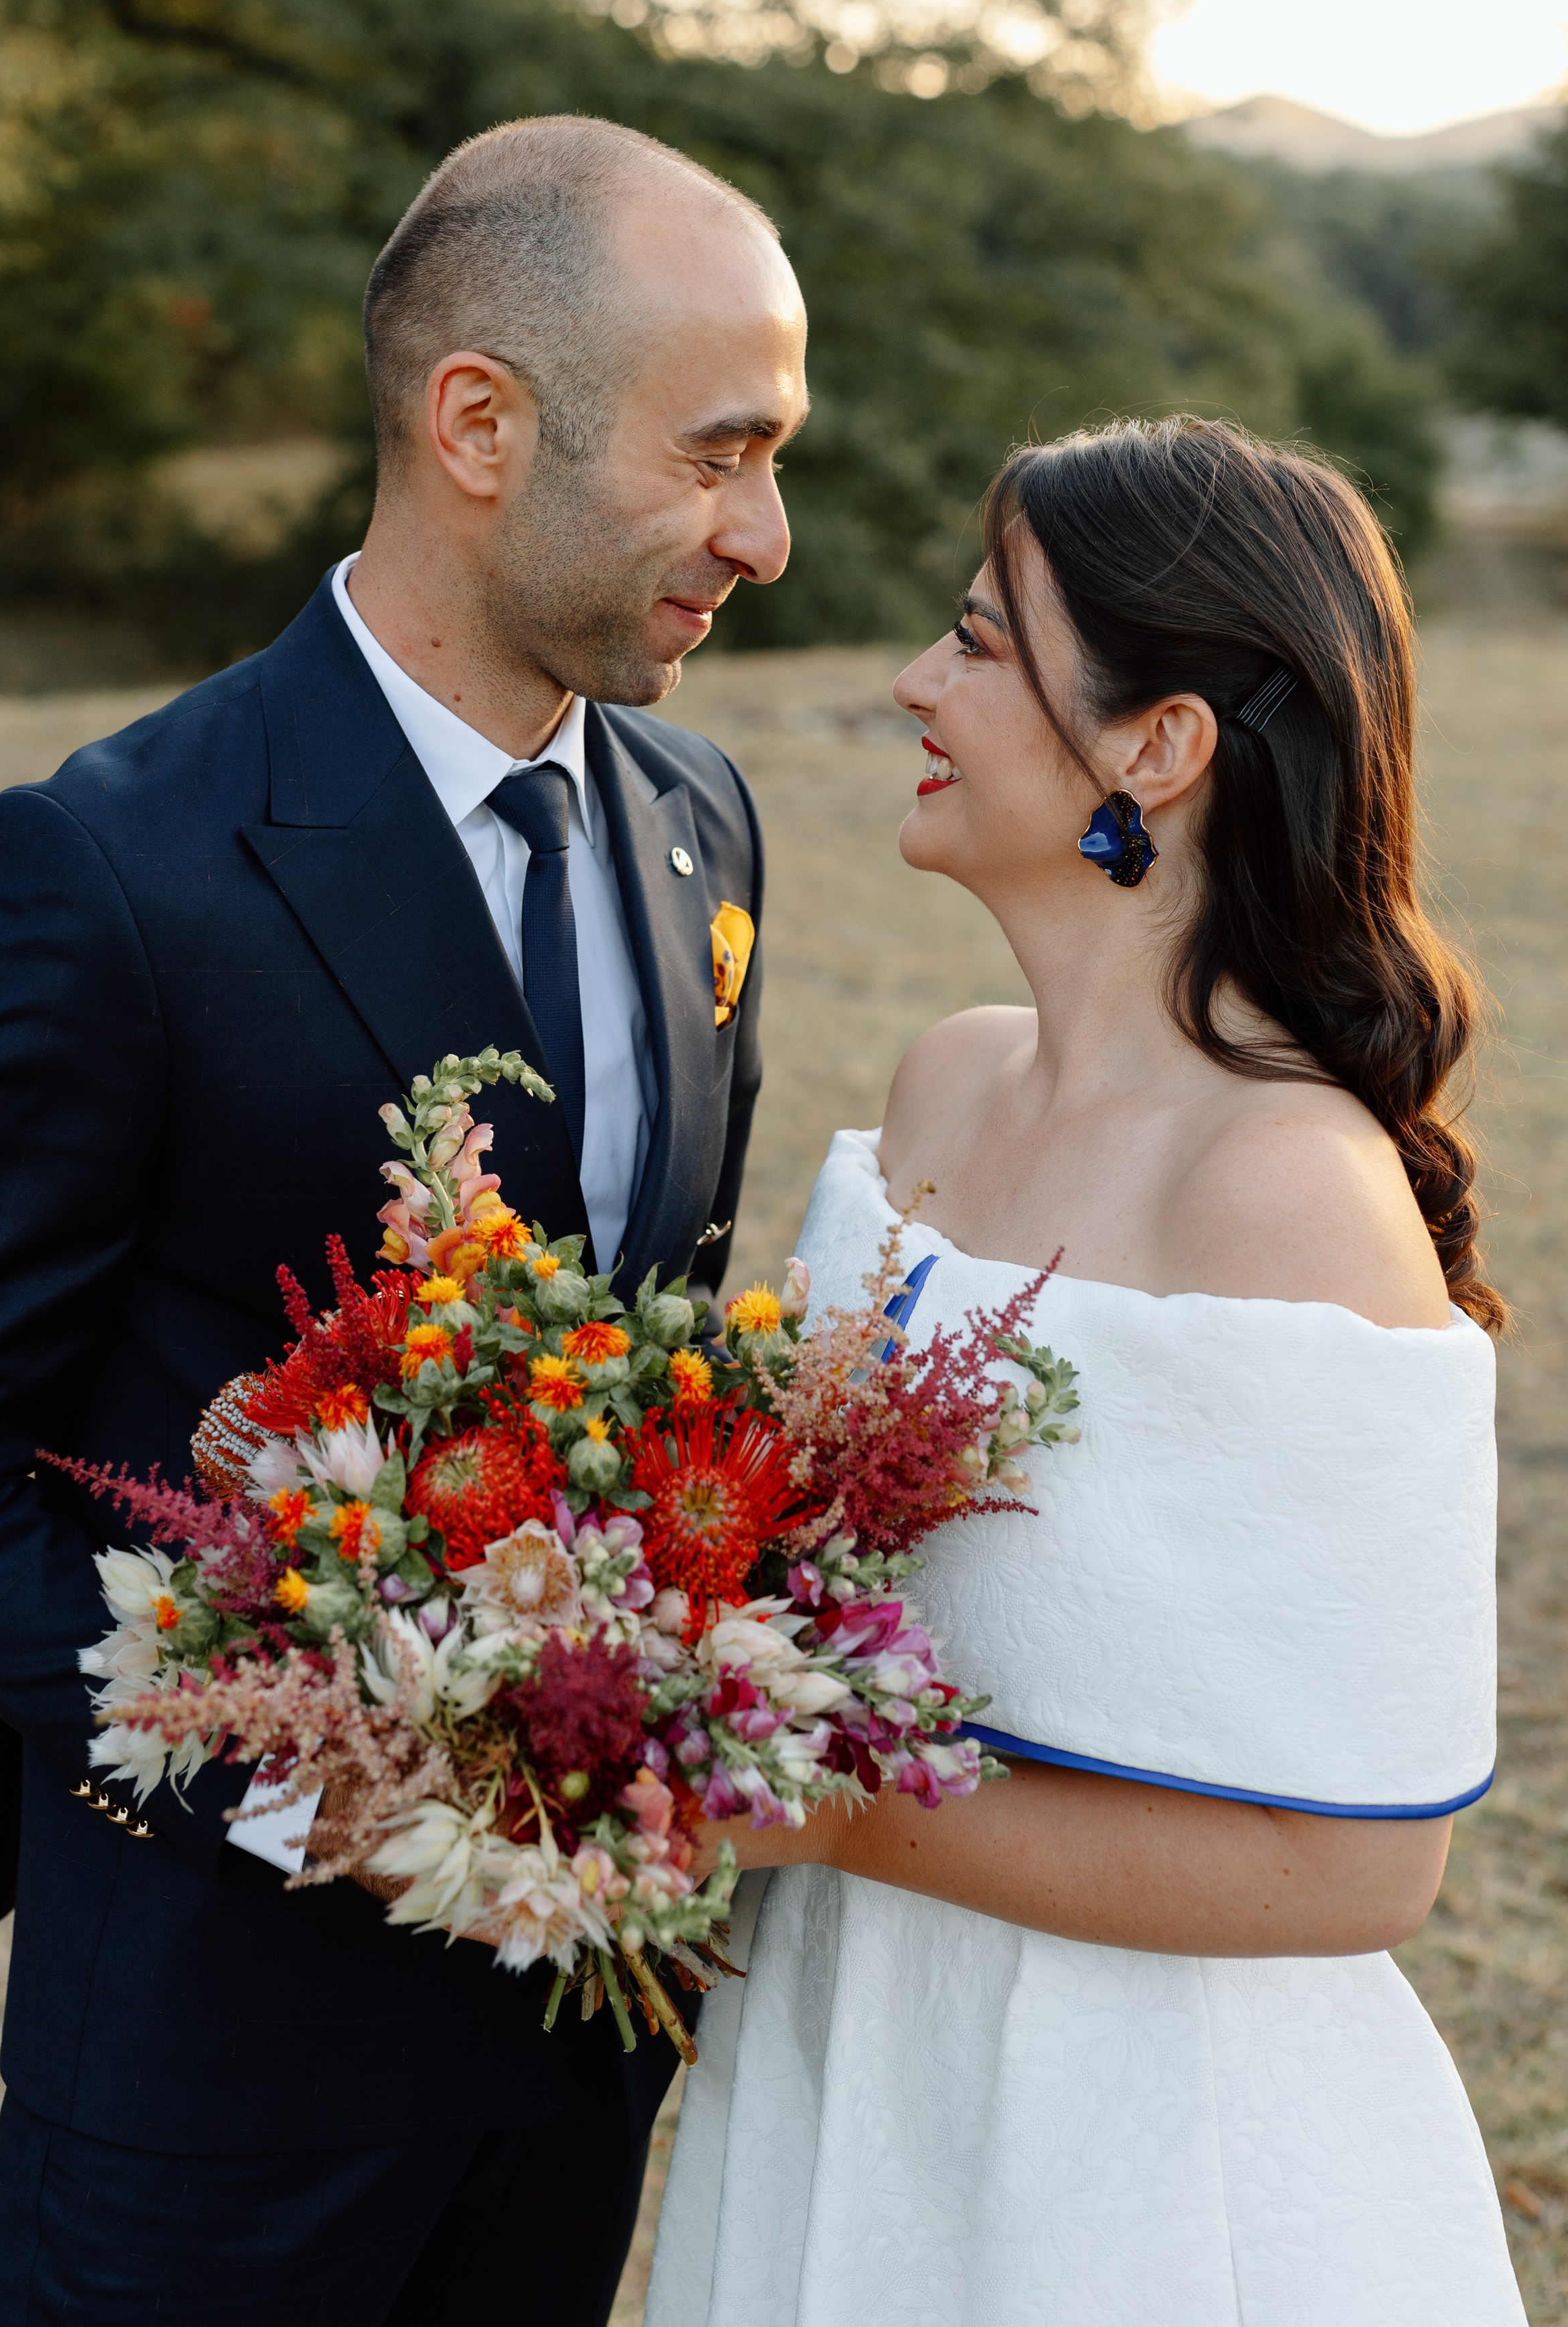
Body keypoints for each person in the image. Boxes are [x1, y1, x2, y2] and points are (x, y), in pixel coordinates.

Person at [0, 115, 807, 2325]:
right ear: (480, 423)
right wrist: (302, 1766)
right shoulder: (105, 868)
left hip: (580, 2033)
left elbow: (645, 1355)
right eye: (720, 454)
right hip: (216, 2045)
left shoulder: (702, 818)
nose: (765, 534)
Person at [647, 415, 1523, 2326]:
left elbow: (1357, 1876)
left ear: (1161, 743)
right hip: (844, 2063)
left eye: (979, 641)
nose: (913, 682)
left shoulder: (1289, 1189)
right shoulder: (944, 1083)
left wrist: (821, 1806)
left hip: (1135, 2154)